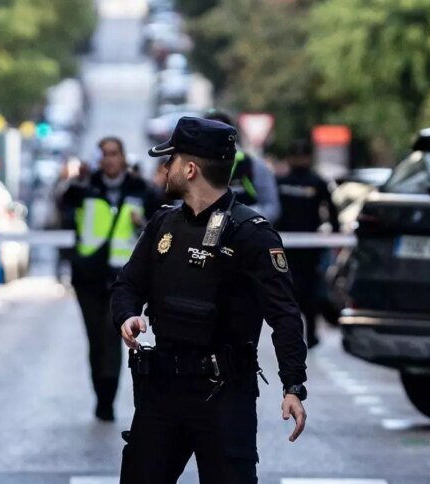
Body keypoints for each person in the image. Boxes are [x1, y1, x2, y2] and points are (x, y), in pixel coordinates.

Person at [111, 117, 308, 483]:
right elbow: (127, 285)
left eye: (169, 160)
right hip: (162, 392)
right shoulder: (163, 225)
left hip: (224, 396)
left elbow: (284, 315)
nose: (163, 168)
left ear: (190, 169)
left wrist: (293, 385)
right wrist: (127, 316)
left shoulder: (252, 234)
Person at [61, 137, 150, 422]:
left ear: (124, 157)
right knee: (95, 340)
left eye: (115, 154)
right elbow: (61, 208)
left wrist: (142, 225)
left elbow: (160, 228)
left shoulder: (141, 189)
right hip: (88, 276)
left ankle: (107, 401)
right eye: (105, 155)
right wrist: (76, 178)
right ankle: (100, 393)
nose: (110, 159)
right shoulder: (84, 189)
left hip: (121, 279)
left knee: (112, 337)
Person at [276, 139, 340, 349]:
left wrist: (335, 234)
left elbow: (332, 210)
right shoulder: (284, 181)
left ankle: (308, 334)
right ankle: (300, 334)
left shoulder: (315, 182)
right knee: (296, 293)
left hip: (306, 247)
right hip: (290, 246)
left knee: (302, 292)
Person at [203, 110, 282, 223]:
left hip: (245, 235)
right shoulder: (194, 166)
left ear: (232, 135)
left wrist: (241, 221)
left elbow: (272, 208)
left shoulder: (253, 165)